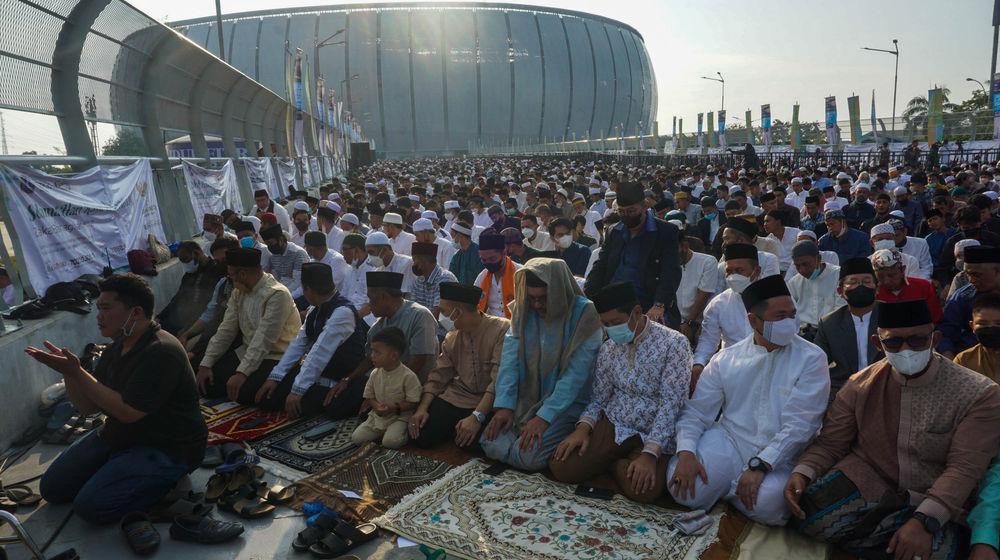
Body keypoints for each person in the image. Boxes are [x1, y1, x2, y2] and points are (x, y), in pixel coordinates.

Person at [785, 299, 1000, 560]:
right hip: (871, 484)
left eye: (917, 341)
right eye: (894, 342)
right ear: (879, 343)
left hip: (935, 495)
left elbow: (964, 469)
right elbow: (831, 443)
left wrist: (924, 521)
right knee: (809, 516)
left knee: (938, 550)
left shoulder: (979, 393)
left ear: (934, 339)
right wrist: (803, 472)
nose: (906, 350)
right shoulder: (860, 385)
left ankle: (890, 538)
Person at [31, 274, 207, 524]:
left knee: (90, 507)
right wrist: (69, 373)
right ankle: (121, 471)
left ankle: (166, 483)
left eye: (106, 308)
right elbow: (88, 407)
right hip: (121, 435)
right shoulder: (114, 350)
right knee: (52, 489)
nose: (99, 316)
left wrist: (78, 372)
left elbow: (129, 413)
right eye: (98, 309)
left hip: (167, 447)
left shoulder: (161, 351)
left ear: (135, 312)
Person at [668, 275, 830, 526]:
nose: (790, 322)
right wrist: (687, 452)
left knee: (770, 504)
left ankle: (727, 489)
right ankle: (732, 490)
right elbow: (697, 412)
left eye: (792, 314)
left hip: (781, 455)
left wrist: (761, 465)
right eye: (780, 316)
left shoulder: (812, 358)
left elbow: (801, 426)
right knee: (683, 488)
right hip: (731, 441)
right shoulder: (726, 359)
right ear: (753, 321)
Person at [549, 282, 691, 503]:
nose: (611, 329)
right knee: (561, 466)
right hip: (615, 425)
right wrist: (582, 430)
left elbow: (671, 404)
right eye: (605, 324)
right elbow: (599, 398)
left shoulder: (674, 344)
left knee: (644, 490)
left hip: (652, 431)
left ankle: (612, 464)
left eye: (616, 322)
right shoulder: (609, 347)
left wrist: (649, 454)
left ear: (637, 312)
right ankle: (616, 464)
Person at [481, 258, 603, 472]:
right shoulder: (524, 309)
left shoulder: (585, 315)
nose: (537, 305)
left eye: (543, 299)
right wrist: (505, 406)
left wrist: (543, 418)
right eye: (532, 298)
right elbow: (509, 361)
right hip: (526, 398)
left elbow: (574, 377)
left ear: (558, 292)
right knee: (490, 442)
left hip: (565, 405)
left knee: (528, 457)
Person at [252, 263, 368, 418]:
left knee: (306, 407)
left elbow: (320, 352)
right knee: (268, 398)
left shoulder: (343, 312)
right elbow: (298, 344)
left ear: (307, 289)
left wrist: (297, 390)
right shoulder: (315, 309)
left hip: (339, 377)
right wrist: (276, 377)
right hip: (319, 375)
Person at [409, 282, 509, 449]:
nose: (440, 317)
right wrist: (422, 409)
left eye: (443, 311)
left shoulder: (502, 329)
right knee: (420, 434)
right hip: (457, 397)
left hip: (487, 403)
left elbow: (498, 381)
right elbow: (437, 377)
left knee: (474, 442)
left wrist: (476, 417)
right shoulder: (452, 338)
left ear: (458, 311)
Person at [327, 270, 439, 416]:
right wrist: (347, 380)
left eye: (370, 298)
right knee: (337, 405)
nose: (368, 304)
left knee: (370, 415)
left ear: (383, 297)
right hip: (385, 378)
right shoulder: (379, 325)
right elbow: (369, 359)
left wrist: (382, 394)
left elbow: (418, 362)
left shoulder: (420, 315)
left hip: (411, 383)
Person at [196, 247, 301, 403]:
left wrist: (242, 373)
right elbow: (226, 330)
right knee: (208, 385)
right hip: (248, 351)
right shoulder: (239, 292)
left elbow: (264, 339)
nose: (230, 279)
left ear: (243, 274)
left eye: (231, 275)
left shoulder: (277, 294)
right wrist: (206, 363)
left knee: (244, 394)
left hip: (276, 355)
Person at [585, 181, 681, 325]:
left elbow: (671, 272)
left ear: (645, 206)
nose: (627, 216)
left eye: (632, 211)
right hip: (613, 301)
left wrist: (659, 304)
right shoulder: (614, 231)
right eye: (621, 212)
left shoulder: (665, 232)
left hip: (648, 302)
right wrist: (588, 298)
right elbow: (600, 266)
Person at [812, 257, 883, 405]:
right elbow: (816, 364)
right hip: (844, 391)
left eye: (866, 281)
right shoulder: (829, 323)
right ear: (840, 291)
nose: (860, 286)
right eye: (853, 282)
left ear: (877, 288)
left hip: (885, 389)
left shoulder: (895, 315)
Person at [691, 244, 759, 387]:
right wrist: (698, 364)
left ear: (757, 271)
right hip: (731, 369)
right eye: (729, 271)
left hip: (768, 367)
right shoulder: (718, 304)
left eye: (740, 270)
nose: (733, 276)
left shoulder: (778, 301)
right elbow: (708, 340)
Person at [349, 327, 422, 449]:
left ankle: (400, 433)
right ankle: (383, 432)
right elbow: (370, 396)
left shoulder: (408, 376)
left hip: (399, 417)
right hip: (378, 417)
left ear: (394, 356)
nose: (372, 356)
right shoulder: (375, 373)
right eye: (372, 351)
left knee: (390, 442)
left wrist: (392, 408)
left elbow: (413, 402)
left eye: (377, 352)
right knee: (357, 438)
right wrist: (376, 406)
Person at [939, 246, 1000, 358]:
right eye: (967, 274)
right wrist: (948, 356)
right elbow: (945, 332)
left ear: (997, 270)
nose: (971, 280)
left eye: (976, 275)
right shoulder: (963, 297)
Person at [156, 241, 224, 335]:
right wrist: (159, 317)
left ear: (196, 253)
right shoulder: (188, 276)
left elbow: (207, 307)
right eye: (182, 261)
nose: (185, 263)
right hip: (181, 320)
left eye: (186, 259)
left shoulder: (215, 272)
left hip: (200, 324)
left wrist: (187, 331)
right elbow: (177, 298)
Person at [870, 248, 943, 327]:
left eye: (891, 275)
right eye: (880, 276)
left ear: (903, 270)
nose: (886, 281)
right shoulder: (872, 293)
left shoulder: (924, 286)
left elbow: (936, 320)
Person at [786, 241, 843, 340]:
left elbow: (841, 312)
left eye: (806, 264)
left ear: (819, 258)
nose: (802, 270)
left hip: (831, 333)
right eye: (797, 266)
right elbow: (788, 312)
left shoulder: (838, 276)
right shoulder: (794, 282)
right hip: (802, 334)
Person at [675, 231, 718, 344]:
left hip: (696, 322)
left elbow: (703, 296)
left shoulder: (707, 262)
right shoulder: (668, 263)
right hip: (673, 320)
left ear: (685, 246)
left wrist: (688, 323)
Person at [409, 241, 458, 339]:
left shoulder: (445, 278)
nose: (413, 264)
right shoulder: (419, 280)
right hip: (425, 329)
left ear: (423, 261)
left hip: (444, 333)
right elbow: (414, 310)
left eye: (414, 260)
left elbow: (436, 314)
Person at [259, 223, 311, 304]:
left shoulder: (298, 254)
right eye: (267, 244)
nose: (269, 247)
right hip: (281, 292)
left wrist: (283, 296)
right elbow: (276, 278)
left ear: (281, 240)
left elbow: (298, 283)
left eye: (270, 243)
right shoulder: (274, 255)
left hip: (298, 294)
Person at [474, 233, 522, 319]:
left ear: (504, 253)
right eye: (484, 260)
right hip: (491, 323)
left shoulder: (520, 273)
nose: (488, 263)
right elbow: (473, 303)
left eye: (492, 259)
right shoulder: (483, 277)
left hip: (517, 323)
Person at [954, 292, 1000, 380]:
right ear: (972, 326)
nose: (991, 328)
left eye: (998, 324)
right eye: (983, 324)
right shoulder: (964, 360)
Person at [365, 231, 416, 296]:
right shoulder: (379, 270)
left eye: (371, 252)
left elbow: (401, 296)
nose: (369, 257)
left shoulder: (406, 264)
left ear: (385, 250)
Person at [339, 233, 375, 317]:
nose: (343, 254)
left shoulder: (373, 269)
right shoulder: (349, 269)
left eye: (345, 250)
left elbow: (371, 304)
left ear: (356, 250)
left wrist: (353, 319)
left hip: (365, 317)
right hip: (348, 313)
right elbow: (343, 295)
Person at [764, 209, 802, 274]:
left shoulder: (796, 233)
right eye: (764, 222)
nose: (765, 224)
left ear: (778, 222)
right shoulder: (768, 240)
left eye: (768, 221)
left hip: (797, 270)